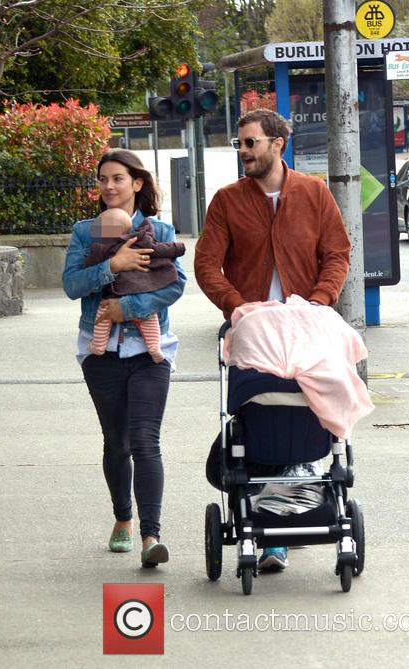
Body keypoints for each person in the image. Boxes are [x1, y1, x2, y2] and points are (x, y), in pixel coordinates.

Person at [194, 108, 351, 573]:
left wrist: (320, 302)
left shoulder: (314, 194)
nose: (243, 152)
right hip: (255, 330)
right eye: (239, 145)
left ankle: (303, 482)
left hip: (307, 324)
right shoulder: (226, 201)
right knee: (259, 411)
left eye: (250, 143)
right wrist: (237, 306)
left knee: (310, 404)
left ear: (277, 144)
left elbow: (337, 253)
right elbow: (206, 265)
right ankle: (271, 529)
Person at [62, 148, 186, 567]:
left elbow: (174, 285)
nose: (109, 187)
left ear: (137, 183)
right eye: (102, 180)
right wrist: (112, 265)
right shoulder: (85, 232)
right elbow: (71, 284)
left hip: (150, 351)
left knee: (146, 441)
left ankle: (152, 536)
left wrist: (127, 309)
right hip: (101, 353)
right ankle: (122, 520)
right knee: (117, 442)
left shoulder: (159, 228)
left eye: (117, 178)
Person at [84, 207, 185, 362]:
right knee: (148, 317)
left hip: (115, 291)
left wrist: (95, 264)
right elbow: (158, 249)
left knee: (103, 316)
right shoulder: (142, 238)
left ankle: (98, 345)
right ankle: (154, 347)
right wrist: (178, 248)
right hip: (142, 289)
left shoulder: (102, 247)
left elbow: (90, 264)